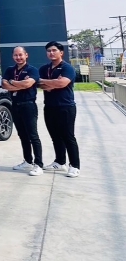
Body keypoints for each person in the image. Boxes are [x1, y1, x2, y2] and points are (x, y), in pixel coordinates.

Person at [38, 41, 80, 177]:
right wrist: (54, 83)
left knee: (68, 136)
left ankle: (75, 166)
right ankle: (60, 162)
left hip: (65, 106)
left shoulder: (67, 68)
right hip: (50, 107)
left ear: (61, 53)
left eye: (54, 50)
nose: (51, 53)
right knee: (55, 136)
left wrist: (49, 83)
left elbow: (62, 83)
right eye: (49, 51)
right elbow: (38, 83)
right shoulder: (44, 68)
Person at [2, 46, 43, 176]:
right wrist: (20, 84)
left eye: (20, 55)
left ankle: (38, 164)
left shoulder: (32, 70)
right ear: (13, 56)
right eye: (16, 55)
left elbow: (28, 84)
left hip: (28, 105)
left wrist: (12, 82)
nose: (18, 57)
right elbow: (4, 85)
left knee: (33, 135)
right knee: (22, 135)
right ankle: (28, 160)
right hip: (15, 105)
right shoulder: (10, 70)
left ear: (26, 55)